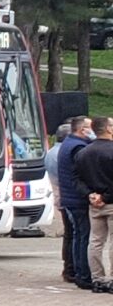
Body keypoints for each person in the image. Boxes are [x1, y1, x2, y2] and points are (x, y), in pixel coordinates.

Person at [54, 117, 96, 286]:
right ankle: (82, 273)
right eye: (89, 127)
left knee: (77, 235)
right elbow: (82, 173)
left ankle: (77, 271)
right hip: (78, 199)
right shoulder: (78, 147)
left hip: (70, 198)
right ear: (82, 130)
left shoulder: (68, 143)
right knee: (83, 236)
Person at [74, 118, 113, 293]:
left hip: (94, 203)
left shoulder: (84, 152)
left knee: (95, 241)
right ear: (108, 129)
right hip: (109, 201)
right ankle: (111, 278)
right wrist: (105, 196)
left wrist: (90, 194)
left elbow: (76, 179)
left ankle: (97, 278)